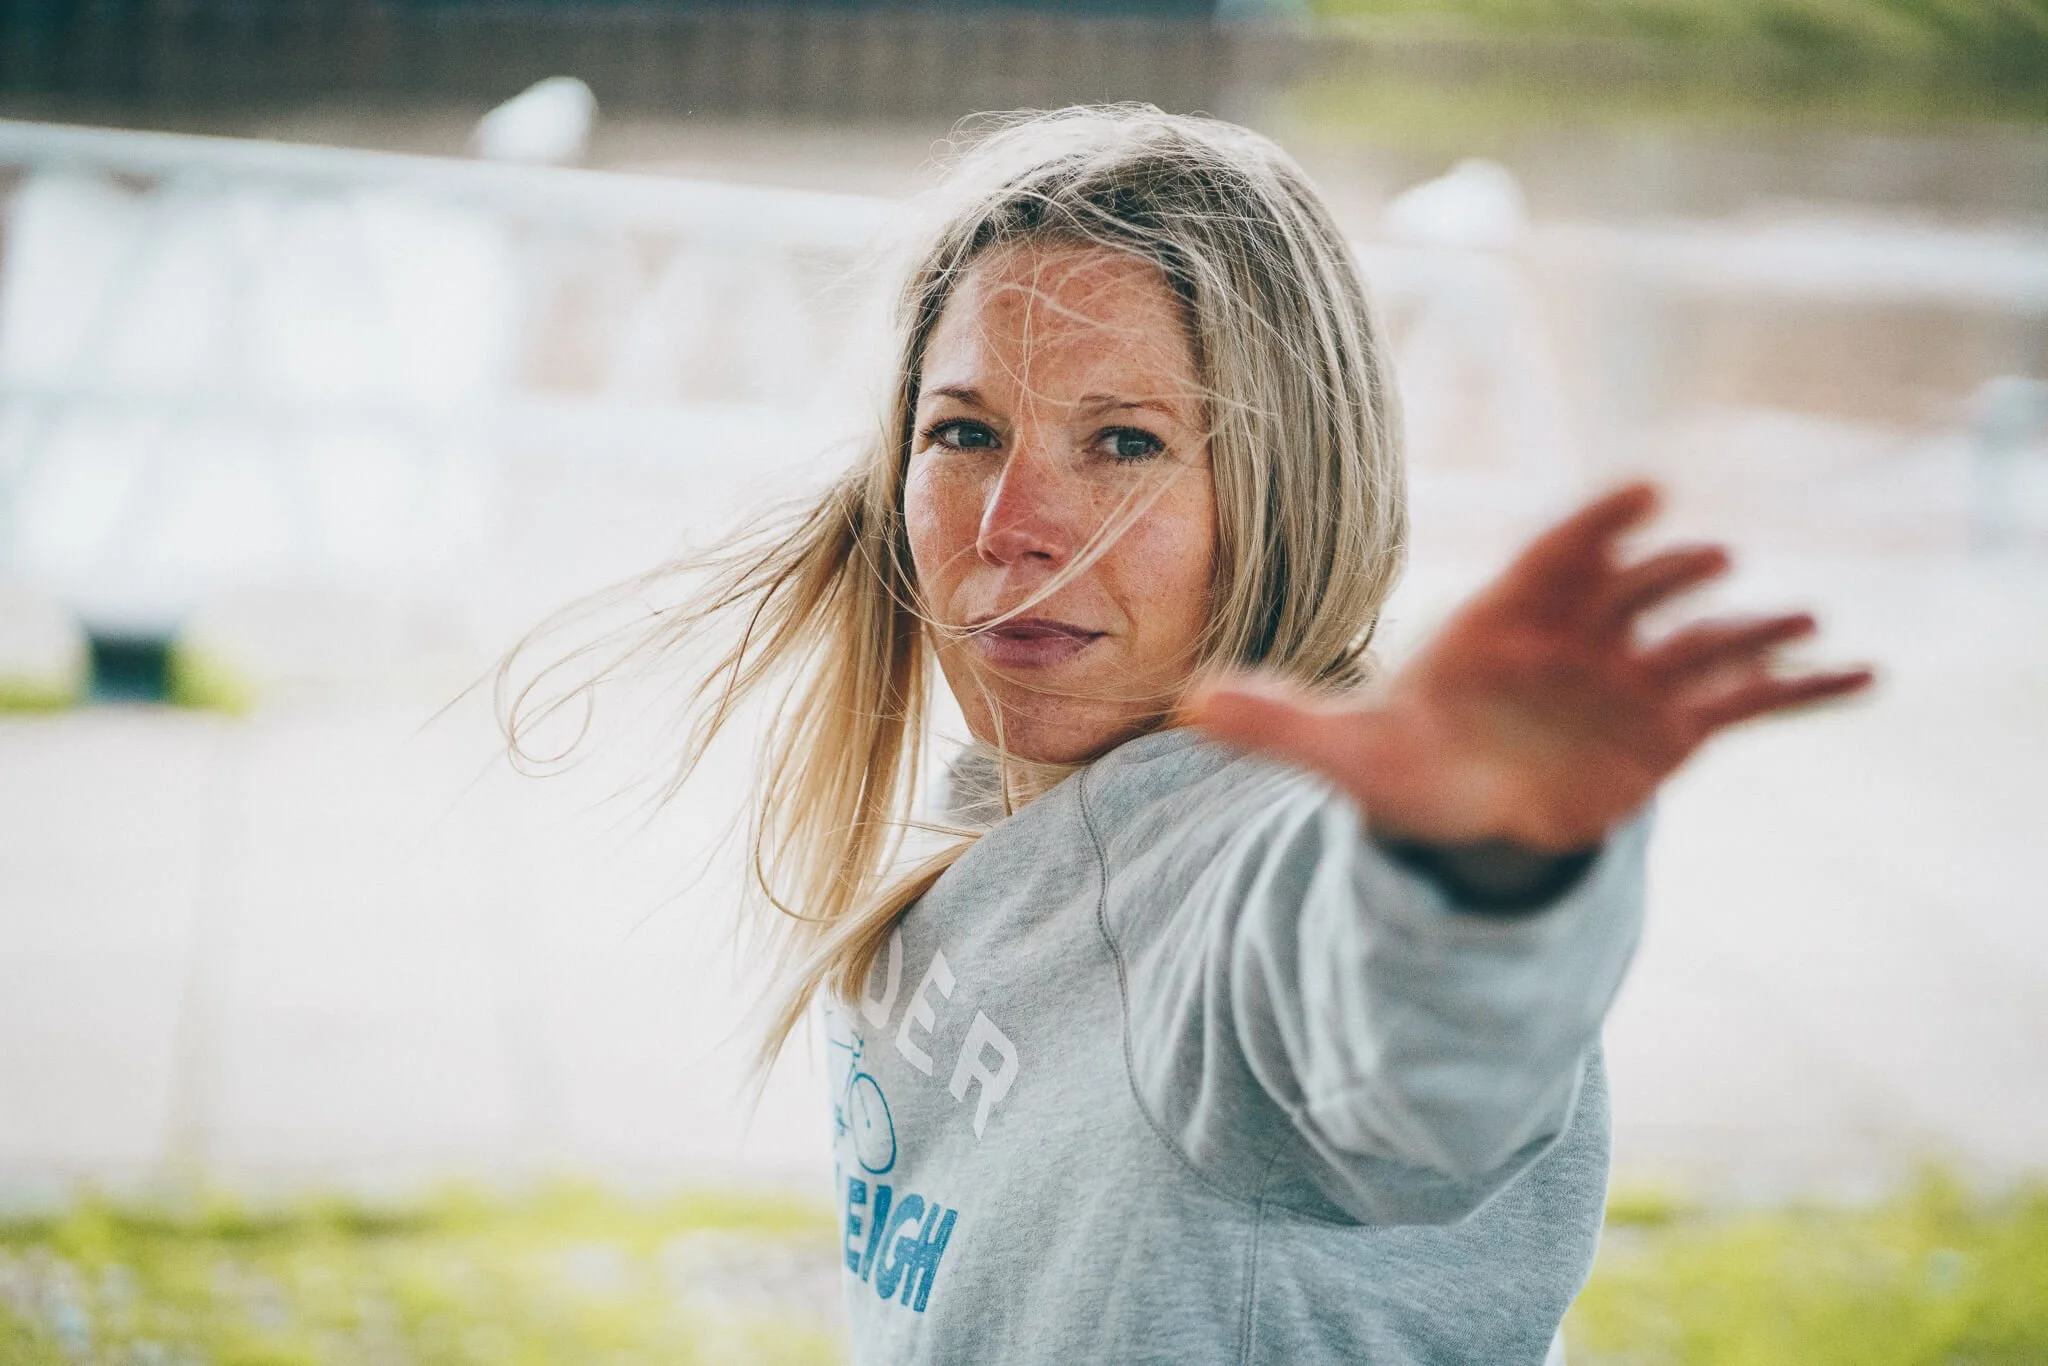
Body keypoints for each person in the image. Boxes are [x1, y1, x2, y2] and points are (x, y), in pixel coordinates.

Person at [507, 105, 1871, 1364]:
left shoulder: (1255, 867)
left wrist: (1475, 867)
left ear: (1291, 479)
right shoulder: (1032, 812)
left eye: (1125, 443)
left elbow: (1404, 1057)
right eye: (965, 429)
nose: (1009, 523)